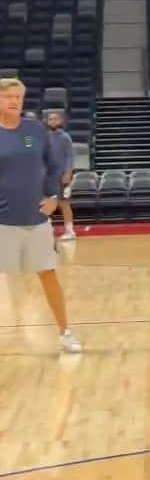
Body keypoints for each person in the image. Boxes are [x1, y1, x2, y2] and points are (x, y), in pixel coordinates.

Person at [0, 79, 82, 353]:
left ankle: (65, 332)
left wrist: (53, 197)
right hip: (3, 222)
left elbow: (52, 164)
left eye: (19, 97)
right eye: (8, 96)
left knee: (48, 274)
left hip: (36, 220)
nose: (15, 101)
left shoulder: (33, 131)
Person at [46, 111, 76, 241]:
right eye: (50, 119)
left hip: (62, 176)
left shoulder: (65, 137)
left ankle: (70, 231)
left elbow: (70, 157)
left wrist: (68, 173)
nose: (53, 121)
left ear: (60, 121)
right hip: (48, 176)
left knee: (64, 203)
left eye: (55, 119)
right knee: (47, 203)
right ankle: (46, 231)